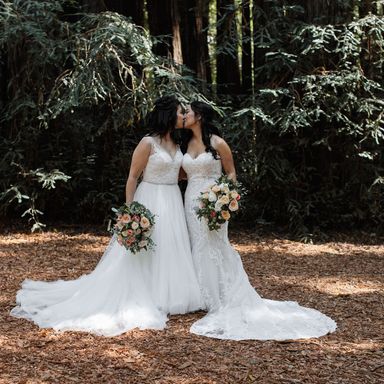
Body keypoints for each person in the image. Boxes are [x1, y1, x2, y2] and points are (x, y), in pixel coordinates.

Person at [11, 96, 202, 336]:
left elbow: (182, 173)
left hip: (173, 199)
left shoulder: (177, 143)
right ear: (167, 114)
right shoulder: (147, 143)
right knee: (142, 251)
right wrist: (130, 212)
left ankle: (170, 294)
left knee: (170, 247)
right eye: (178, 112)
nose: (182, 116)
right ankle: (144, 293)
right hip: (150, 198)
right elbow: (132, 177)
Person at [181, 101, 337, 340]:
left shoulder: (218, 143)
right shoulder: (185, 143)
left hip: (213, 203)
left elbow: (231, 172)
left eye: (189, 112)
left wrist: (224, 198)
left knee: (214, 244)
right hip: (190, 201)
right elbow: (182, 173)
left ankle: (219, 296)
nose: (185, 115)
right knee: (197, 244)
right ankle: (200, 295)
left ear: (199, 116)